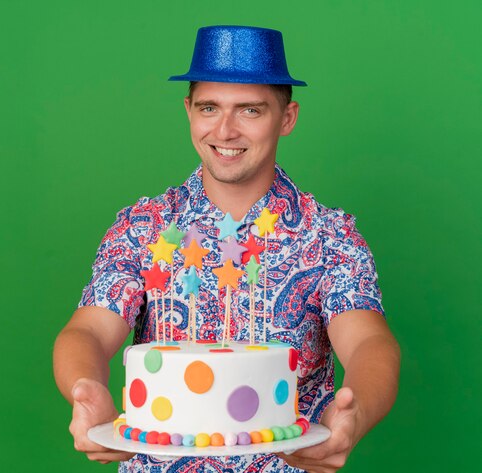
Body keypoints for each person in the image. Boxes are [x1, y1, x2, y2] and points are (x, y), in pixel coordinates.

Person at [53, 25, 400, 473]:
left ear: (287, 117)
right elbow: (87, 332)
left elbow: (371, 343)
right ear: (188, 111)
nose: (225, 129)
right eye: (209, 108)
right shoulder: (143, 226)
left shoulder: (329, 236)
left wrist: (357, 413)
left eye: (250, 110)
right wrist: (87, 389)